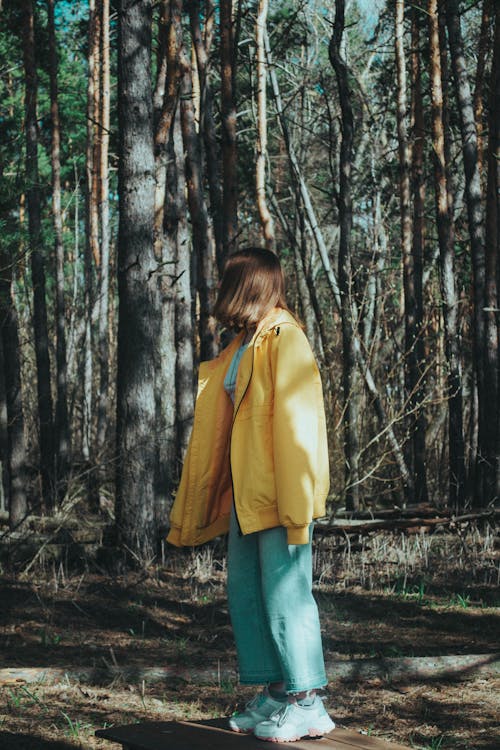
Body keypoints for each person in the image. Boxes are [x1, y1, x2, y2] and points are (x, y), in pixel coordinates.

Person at [167, 248, 335, 742]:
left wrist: (300, 498)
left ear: (248, 285)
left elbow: (301, 426)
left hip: (281, 494)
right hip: (246, 496)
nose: (222, 290)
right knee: (248, 595)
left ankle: (309, 701)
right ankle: (279, 692)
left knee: (287, 596)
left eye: (229, 282)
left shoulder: (287, 339)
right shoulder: (244, 341)